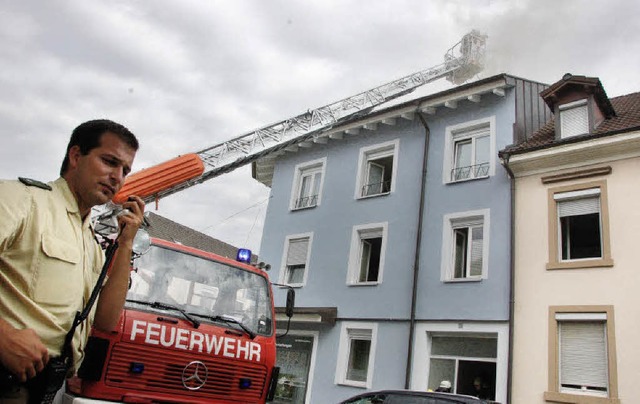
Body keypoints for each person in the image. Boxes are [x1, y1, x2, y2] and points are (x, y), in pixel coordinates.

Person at [0, 119, 145, 403]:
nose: (117, 177)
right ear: (76, 156)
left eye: (125, 170)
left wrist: (126, 243)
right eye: (109, 161)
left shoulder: (89, 241)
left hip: (46, 388)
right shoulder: (23, 200)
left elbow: (105, 320)